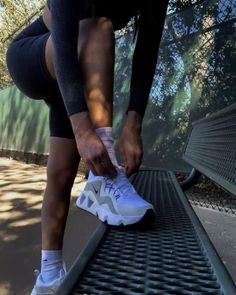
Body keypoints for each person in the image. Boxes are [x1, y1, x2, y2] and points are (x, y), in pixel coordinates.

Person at [6, 0, 168, 294]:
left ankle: (49, 276)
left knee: (62, 171)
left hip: (73, 66)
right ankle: (101, 182)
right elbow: (67, 27)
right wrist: (83, 129)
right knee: (97, 28)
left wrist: (134, 124)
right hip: (36, 53)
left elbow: (147, 47)